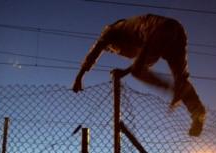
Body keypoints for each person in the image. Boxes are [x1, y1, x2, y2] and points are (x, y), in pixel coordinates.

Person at [72, 14, 206, 136]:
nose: (115, 52)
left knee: (139, 71)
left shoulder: (110, 32)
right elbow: (143, 60)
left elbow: (95, 52)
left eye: (112, 50)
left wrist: (79, 77)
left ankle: (174, 90)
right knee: (181, 78)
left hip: (158, 31)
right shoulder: (131, 31)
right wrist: (125, 72)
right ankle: (197, 113)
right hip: (177, 29)